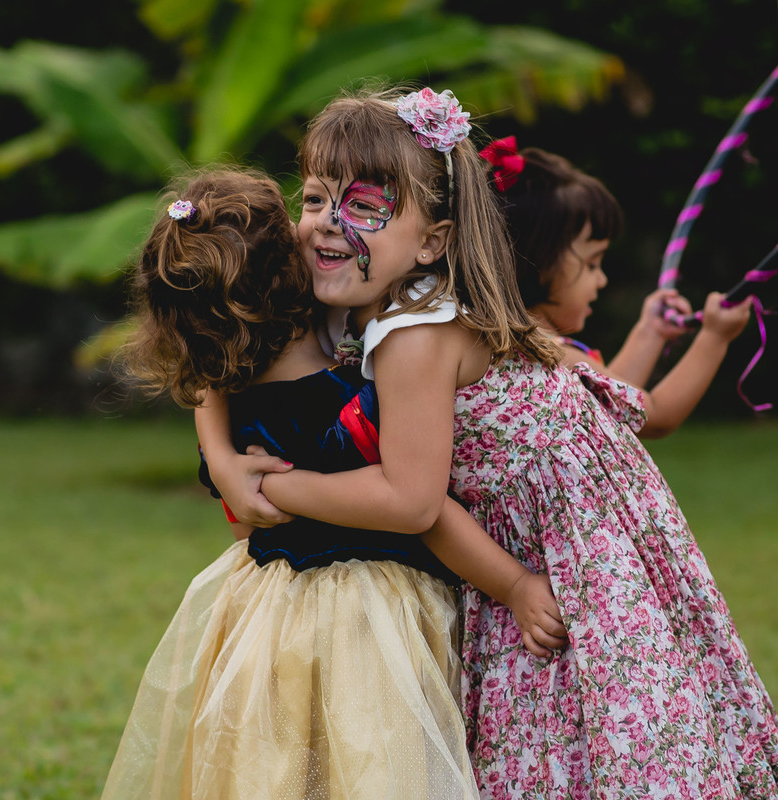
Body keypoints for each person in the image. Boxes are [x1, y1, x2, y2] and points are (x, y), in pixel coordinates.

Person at [200, 85, 778, 798]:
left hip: (563, 542)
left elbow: (413, 498)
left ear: (432, 240)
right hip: (545, 523)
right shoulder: (358, 292)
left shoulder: (415, 335)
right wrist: (224, 461)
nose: (327, 224)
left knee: (592, 709)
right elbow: (214, 348)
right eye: (316, 198)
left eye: (367, 206)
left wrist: (271, 486)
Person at [100, 167, 567, 800]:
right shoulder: (342, 407)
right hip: (368, 617)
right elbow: (421, 509)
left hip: (268, 611)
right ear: (293, 276)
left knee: (283, 769)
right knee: (374, 768)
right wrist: (512, 583)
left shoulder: (237, 384)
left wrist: (221, 459)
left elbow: (203, 372)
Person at [479, 137, 754, 437]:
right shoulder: (547, 355)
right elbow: (654, 413)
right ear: (537, 265)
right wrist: (715, 338)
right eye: (592, 264)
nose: (602, 280)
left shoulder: (517, 349)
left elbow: (613, 398)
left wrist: (651, 332)